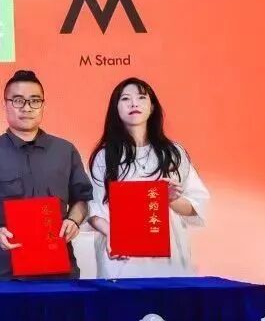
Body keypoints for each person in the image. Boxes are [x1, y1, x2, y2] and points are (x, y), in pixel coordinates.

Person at [0, 69, 92, 280]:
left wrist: (74, 220)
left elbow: (81, 199)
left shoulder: (65, 151)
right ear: (5, 105)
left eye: (34, 101)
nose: (27, 108)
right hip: (2, 271)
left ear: (43, 105)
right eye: (18, 101)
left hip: (56, 268)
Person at [86, 77, 210, 278]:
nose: (134, 103)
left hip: (168, 256)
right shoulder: (105, 156)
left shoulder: (173, 153)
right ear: (116, 109)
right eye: (125, 99)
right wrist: (112, 235)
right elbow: (93, 208)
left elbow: (196, 205)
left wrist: (171, 199)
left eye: (141, 97)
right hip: (121, 258)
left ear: (152, 107)